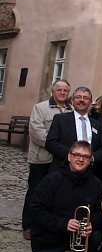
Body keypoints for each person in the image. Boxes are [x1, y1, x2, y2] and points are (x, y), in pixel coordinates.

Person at [27, 141, 102, 252]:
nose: (81, 159)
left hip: (76, 235)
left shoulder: (96, 184)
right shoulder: (52, 180)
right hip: (50, 236)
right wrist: (64, 223)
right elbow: (35, 210)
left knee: (96, 237)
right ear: (69, 156)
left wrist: (92, 224)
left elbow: (101, 212)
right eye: (77, 155)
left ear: (90, 160)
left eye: (86, 157)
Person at [23, 79, 72, 243]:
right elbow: (37, 133)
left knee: (54, 193)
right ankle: (28, 224)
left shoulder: (69, 109)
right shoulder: (40, 108)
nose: (63, 93)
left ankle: (46, 222)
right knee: (35, 191)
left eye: (66, 90)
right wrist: (58, 147)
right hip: (42, 159)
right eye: (60, 90)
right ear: (53, 91)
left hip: (60, 161)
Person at [46, 86, 102, 172]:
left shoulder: (98, 124)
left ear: (90, 102)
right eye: (78, 97)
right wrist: (74, 156)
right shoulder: (60, 119)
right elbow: (50, 143)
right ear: (72, 101)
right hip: (63, 170)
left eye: (85, 98)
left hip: (88, 173)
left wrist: (91, 158)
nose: (82, 100)